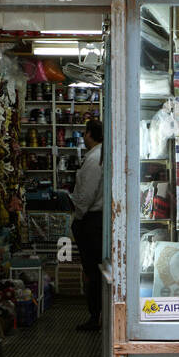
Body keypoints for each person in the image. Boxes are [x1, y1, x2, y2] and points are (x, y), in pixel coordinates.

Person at [70, 118, 105, 331]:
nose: (83, 136)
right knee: (94, 271)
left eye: (85, 132)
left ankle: (95, 317)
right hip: (94, 220)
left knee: (93, 272)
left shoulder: (94, 159)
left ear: (91, 134)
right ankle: (97, 315)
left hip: (91, 221)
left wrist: (78, 215)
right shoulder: (97, 155)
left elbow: (87, 195)